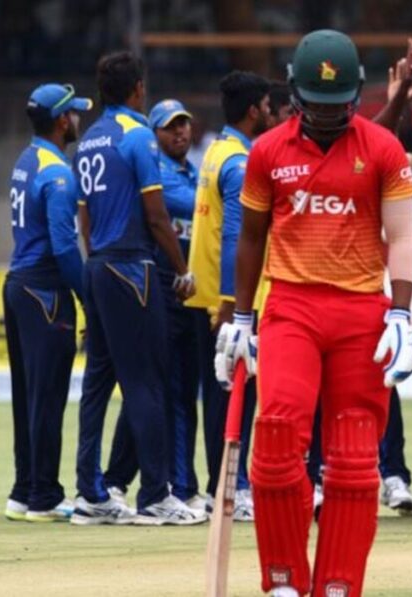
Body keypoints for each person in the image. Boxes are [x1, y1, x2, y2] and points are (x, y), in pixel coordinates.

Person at [217, 30, 412, 597]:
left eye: (339, 104)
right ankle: (284, 579)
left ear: (357, 93)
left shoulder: (382, 148)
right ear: (293, 92)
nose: (328, 116)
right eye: (317, 104)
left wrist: (401, 315)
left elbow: (402, 236)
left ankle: (337, 584)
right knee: (277, 436)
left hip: (362, 310)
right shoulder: (267, 151)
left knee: (355, 456)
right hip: (291, 306)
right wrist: (240, 319)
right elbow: (250, 238)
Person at [72, 51, 201, 526]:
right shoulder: (138, 135)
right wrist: (182, 269)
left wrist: (96, 264)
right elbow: (157, 216)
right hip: (132, 266)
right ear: (138, 89)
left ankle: (91, 493)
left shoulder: (88, 139)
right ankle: (155, 496)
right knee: (147, 381)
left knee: (97, 384)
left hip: (99, 265)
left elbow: (84, 218)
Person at [101, 99, 206, 513]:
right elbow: (194, 206)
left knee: (170, 389)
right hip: (161, 285)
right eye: (170, 127)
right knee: (159, 388)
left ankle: (136, 481)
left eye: (184, 124)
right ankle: (162, 484)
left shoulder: (191, 170)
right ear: (154, 134)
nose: (180, 132)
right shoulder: (157, 171)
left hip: (185, 290)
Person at [3, 83, 90, 523]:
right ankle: (44, 497)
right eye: (74, 113)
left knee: (27, 395)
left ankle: (24, 490)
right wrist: (89, 297)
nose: (78, 119)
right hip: (45, 293)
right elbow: (65, 248)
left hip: (18, 285)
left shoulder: (26, 159)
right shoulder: (58, 174)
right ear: (61, 121)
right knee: (48, 396)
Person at [187, 71, 271, 522]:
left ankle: (218, 484)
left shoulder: (216, 151)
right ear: (254, 110)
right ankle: (233, 488)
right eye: (268, 106)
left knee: (218, 395)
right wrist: (231, 304)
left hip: (208, 297)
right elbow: (237, 236)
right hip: (234, 300)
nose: (273, 113)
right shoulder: (240, 162)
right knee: (237, 395)